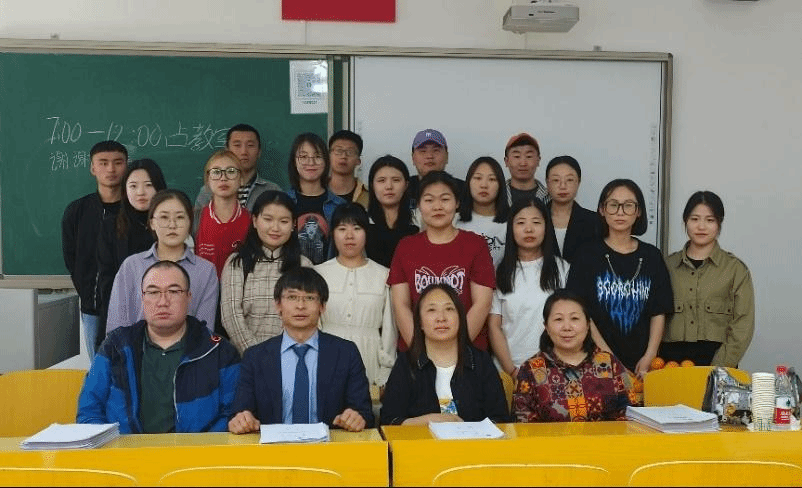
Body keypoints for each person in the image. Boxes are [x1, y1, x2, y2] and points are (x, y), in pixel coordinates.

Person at [77, 260, 240, 433]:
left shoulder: (219, 351)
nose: (163, 302)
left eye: (174, 291)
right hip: (125, 449)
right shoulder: (116, 347)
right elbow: (89, 411)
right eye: (153, 292)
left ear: (189, 297)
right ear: (142, 298)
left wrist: (194, 446)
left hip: (197, 449)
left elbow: (233, 414)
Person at [228, 267, 373, 433]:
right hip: (273, 447)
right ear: (278, 305)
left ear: (322, 306)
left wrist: (357, 418)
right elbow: (240, 412)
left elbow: (365, 413)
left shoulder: (346, 353)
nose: (300, 306)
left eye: (310, 298)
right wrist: (241, 420)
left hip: (329, 446)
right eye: (292, 297)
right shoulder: (255, 357)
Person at [566, 179, 673, 377]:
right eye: (613, 205)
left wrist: (650, 355)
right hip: (595, 363)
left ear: (638, 211)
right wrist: (608, 358)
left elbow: (659, 311)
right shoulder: (586, 255)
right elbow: (580, 312)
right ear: (602, 210)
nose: (620, 212)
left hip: (643, 366)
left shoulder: (652, 256)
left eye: (628, 205)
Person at [388, 171, 495, 351]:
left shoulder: (476, 245)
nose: (437, 206)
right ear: (419, 205)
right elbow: (401, 305)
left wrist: (453, 351)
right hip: (416, 355)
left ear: (457, 203)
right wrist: (421, 352)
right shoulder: (406, 247)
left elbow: (482, 304)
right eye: (429, 200)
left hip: (467, 352)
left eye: (445, 199)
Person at [380, 284, 509, 425]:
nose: (441, 318)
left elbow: (500, 419)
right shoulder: (406, 364)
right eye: (431, 310)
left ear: (460, 318)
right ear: (420, 322)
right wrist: (428, 421)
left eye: (449, 309)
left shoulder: (481, 362)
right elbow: (389, 421)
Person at [513, 290, 638, 422]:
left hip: (608, 436)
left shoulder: (609, 363)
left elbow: (630, 414)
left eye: (574, 318)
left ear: (588, 325)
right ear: (546, 327)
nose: (567, 327)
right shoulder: (531, 370)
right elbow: (523, 424)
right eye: (558, 319)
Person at [661, 191, 755, 367]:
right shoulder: (665, 266)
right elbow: (653, 318)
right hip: (670, 365)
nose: (701, 226)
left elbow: (743, 325)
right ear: (685, 221)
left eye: (710, 220)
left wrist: (718, 368)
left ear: (719, 224)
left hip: (718, 363)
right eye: (694, 219)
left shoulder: (735, 270)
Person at [106, 190, 219, 334]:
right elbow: (117, 324)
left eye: (180, 217)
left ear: (190, 222)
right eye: (164, 217)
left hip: (188, 348)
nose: (172, 225)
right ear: (152, 223)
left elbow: (205, 329)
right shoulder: (132, 266)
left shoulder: (206, 270)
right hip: (135, 347)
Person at [220, 191, 312, 355]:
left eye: (283, 221)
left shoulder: (304, 265)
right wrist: (256, 355)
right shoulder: (238, 262)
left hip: (292, 357)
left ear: (293, 225)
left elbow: (309, 315)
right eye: (268, 219)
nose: (275, 228)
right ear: (255, 220)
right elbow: (231, 316)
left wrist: (285, 354)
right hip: (245, 358)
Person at [315, 203, 396, 387]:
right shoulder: (318, 273)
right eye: (342, 229)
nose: (349, 236)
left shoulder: (383, 275)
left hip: (370, 356)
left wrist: (385, 373)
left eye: (357, 228)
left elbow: (390, 329)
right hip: (326, 355)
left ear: (366, 233)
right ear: (333, 233)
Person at [488, 198, 569, 379]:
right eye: (521, 222)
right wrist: (512, 371)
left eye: (536, 222)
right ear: (511, 228)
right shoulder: (499, 272)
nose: (529, 229)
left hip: (553, 372)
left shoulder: (563, 270)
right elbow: (494, 326)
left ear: (546, 227)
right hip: (507, 371)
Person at [62, 140, 127, 359]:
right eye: (103, 163)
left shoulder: (136, 210)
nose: (111, 169)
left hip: (132, 307)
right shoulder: (77, 211)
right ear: (92, 168)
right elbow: (71, 258)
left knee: (132, 368)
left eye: (118, 162)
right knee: (99, 368)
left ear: (126, 166)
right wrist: (87, 292)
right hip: (93, 308)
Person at [96, 158, 167, 350]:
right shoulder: (110, 227)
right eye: (133, 186)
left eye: (148, 185)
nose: (140, 192)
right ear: (125, 190)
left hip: (164, 315)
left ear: (159, 188)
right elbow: (106, 279)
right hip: (121, 315)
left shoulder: (169, 225)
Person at [285, 132, 346, 265]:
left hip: (329, 275)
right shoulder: (282, 202)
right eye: (303, 157)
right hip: (290, 274)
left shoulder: (340, 205)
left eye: (318, 156)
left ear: (326, 161)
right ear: (294, 161)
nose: (311, 162)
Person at [194, 123, 282, 213]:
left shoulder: (272, 191)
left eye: (250, 145)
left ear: (259, 152)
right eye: (237, 145)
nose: (244, 152)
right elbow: (198, 220)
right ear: (227, 150)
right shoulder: (209, 190)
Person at [194, 150, 251, 277]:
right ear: (208, 180)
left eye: (231, 171)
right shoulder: (196, 218)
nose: (223, 178)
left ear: (241, 179)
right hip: (203, 288)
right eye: (216, 172)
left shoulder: (252, 220)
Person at [365, 155, 419, 268]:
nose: (389, 186)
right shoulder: (363, 220)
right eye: (381, 181)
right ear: (372, 185)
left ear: (406, 185)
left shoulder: (420, 220)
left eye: (396, 180)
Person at [545, 155, 600, 263]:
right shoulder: (536, 218)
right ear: (547, 183)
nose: (562, 186)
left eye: (569, 180)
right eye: (556, 180)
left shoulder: (595, 221)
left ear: (578, 182)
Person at [456, 156, 509, 267]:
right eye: (478, 178)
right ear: (468, 182)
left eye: (492, 179)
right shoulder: (454, 221)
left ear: (500, 185)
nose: (484, 185)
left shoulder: (512, 223)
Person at [406, 129, 464, 209]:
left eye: (436, 150)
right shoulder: (402, 189)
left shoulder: (465, 190)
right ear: (413, 158)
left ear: (447, 156)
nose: (429, 156)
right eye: (423, 151)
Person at [504, 132, 550, 206]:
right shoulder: (496, 194)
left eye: (529, 156)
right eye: (517, 156)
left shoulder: (551, 197)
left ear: (538, 161)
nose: (523, 163)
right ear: (506, 161)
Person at [328, 130, 369, 207]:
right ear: (328, 156)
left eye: (350, 152)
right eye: (339, 151)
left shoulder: (369, 196)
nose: (344, 156)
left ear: (358, 161)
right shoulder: (317, 191)